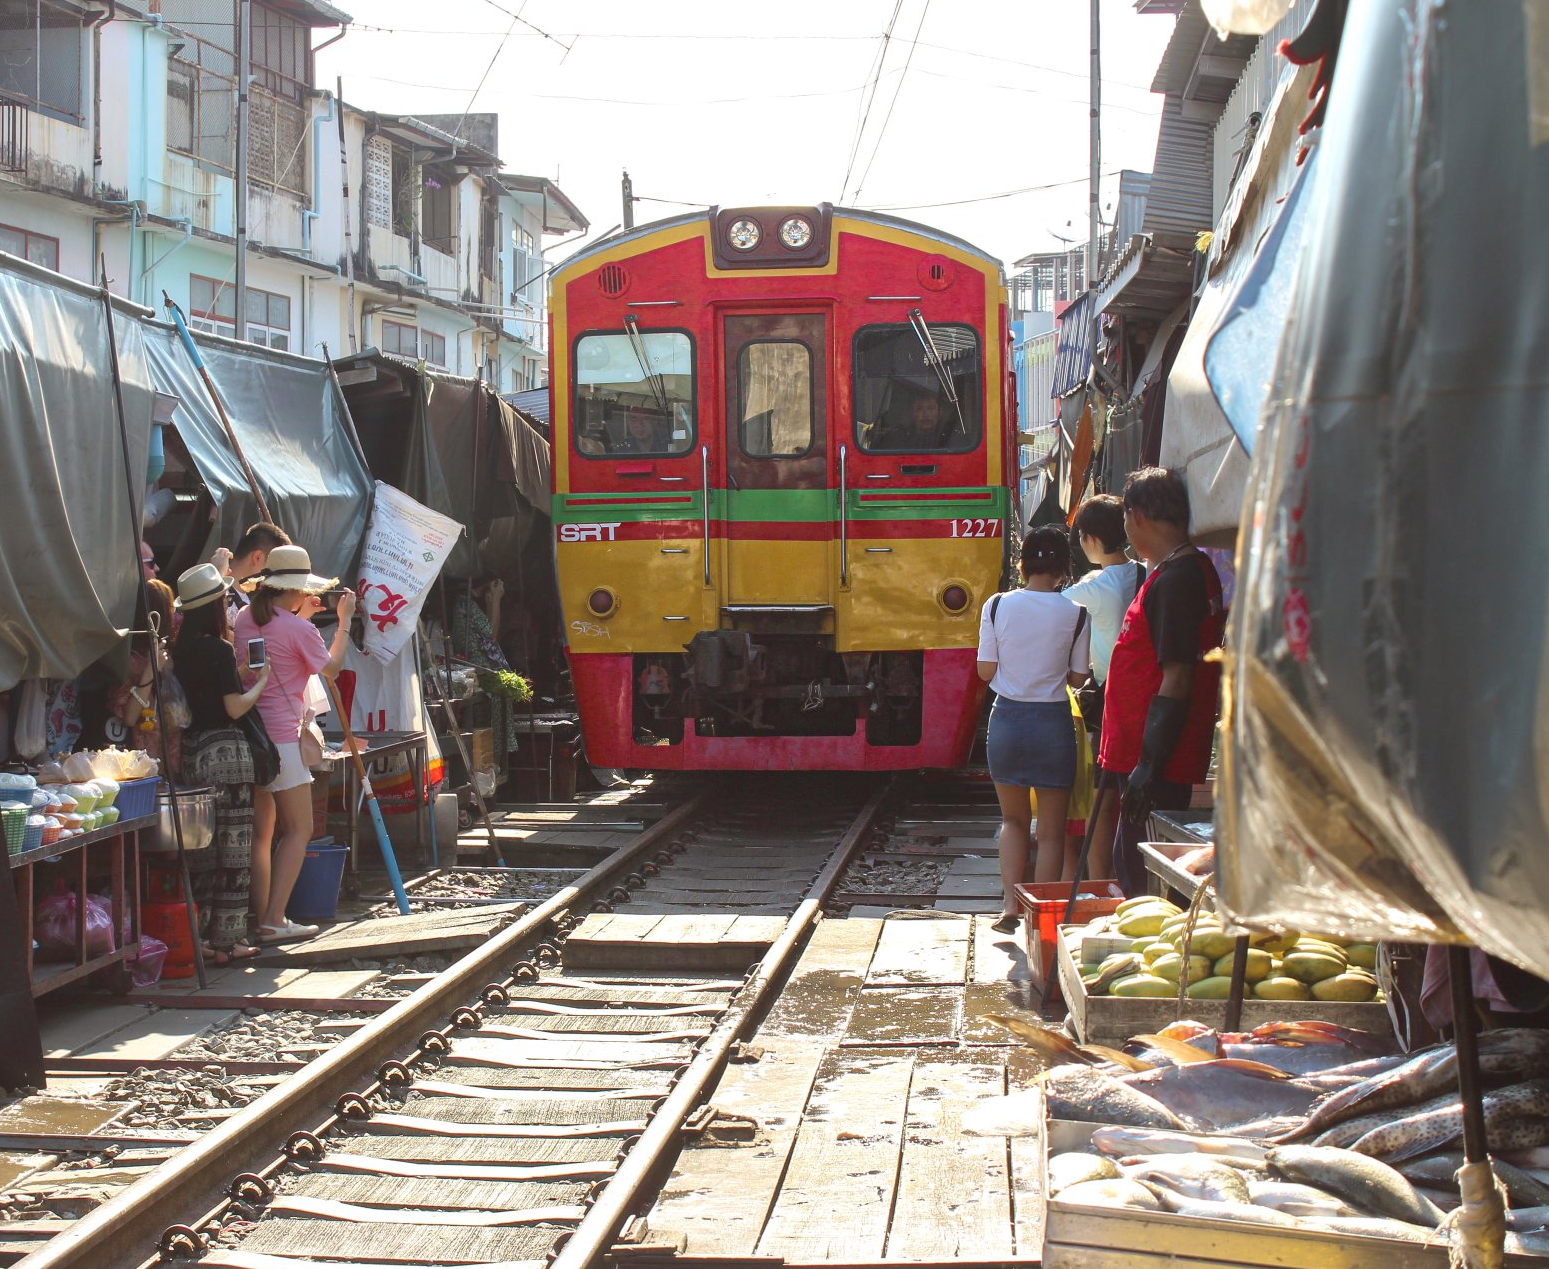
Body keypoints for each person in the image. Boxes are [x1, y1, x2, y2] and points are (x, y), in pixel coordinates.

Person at [1099, 468, 1226, 897]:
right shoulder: (1176, 571)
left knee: (1141, 869)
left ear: (1136, 517)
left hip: (1152, 757)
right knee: (1133, 859)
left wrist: (1148, 765)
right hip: (1141, 751)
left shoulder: (1177, 580)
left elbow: (1177, 675)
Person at [233, 546, 356, 944]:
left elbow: (277, 641)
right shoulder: (299, 629)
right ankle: (274, 918)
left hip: (251, 737)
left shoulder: (244, 618)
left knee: (263, 834)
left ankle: (264, 915)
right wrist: (344, 622)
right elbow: (331, 669)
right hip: (283, 741)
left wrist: (301, 615)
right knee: (299, 829)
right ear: (297, 589)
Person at [977, 525, 1092, 931]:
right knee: (1051, 831)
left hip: (1007, 719)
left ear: (1021, 564)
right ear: (1064, 569)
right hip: (1053, 725)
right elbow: (1078, 679)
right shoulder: (1077, 614)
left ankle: (1009, 904)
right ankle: (1036, 914)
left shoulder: (995, 606)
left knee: (1012, 821)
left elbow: (985, 670)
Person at [173, 563, 271, 964]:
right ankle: (228, 942)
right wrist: (261, 681)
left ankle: (199, 937)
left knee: (203, 853)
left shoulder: (181, 650)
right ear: (216, 605)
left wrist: (239, 672)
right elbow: (233, 707)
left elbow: (207, 693)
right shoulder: (220, 649)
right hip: (228, 756)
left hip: (195, 753)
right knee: (234, 851)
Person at [1065, 494, 1146, 878]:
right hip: (1145, 698)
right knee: (1135, 794)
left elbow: (1051, 610)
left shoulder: (1094, 585)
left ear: (1091, 539)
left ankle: (1100, 882)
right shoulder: (1145, 573)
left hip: (1109, 702)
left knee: (1102, 797)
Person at [211, 522, 291, 621]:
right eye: (274, 566)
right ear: (257, 557)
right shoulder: (210, 593)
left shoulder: (247, 601)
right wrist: (217, 575)